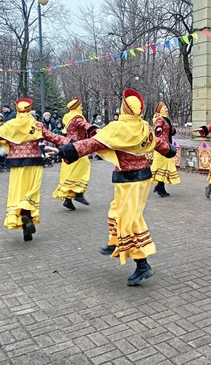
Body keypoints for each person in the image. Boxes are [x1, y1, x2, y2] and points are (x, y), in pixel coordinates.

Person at [49, 89, 175, 286]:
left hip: (129, 181)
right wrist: (171, 151)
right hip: (139, 178)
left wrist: (62, 150)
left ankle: (142, 264)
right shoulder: (143, 127)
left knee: (130, 220)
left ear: (125, 108)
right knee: (116, 211)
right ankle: (115, 242)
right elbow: (159, 144)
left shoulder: (118, 128)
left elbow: (92, 144)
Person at [0, 98, 70, 241]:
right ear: (30, 110)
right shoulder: (37, 125)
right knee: (31, 192)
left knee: (18, 192)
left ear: (17, 110)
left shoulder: (10, 125)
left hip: (17, 166)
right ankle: (26, 215)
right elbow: (55, 138)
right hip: (34, 163)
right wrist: (73, 143)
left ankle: (23, 220)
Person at [52, 98, 97, 210]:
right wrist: (93, 129)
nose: (81, 107)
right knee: (83, 167)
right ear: (77, 107)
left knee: (71, 171)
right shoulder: (77, 117)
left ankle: (68, 199)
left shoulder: (68, 117)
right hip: (77, 147)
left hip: (68, 147)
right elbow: (83, 124)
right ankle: (78, 193)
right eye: (80, 105)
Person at [151, 101, 180, 197]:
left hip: (166, 146)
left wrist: (173, 130)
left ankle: (160, 187)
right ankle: (160, 188)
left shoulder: (166, 119)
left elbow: (169, 131)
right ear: (160, 110)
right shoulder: (160, 119)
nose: (167, 109)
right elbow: (158, 126)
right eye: (165, 108)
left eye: (166, 107)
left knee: (165, 167)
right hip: (161, 147)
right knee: (162, 167)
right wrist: (158, 129)